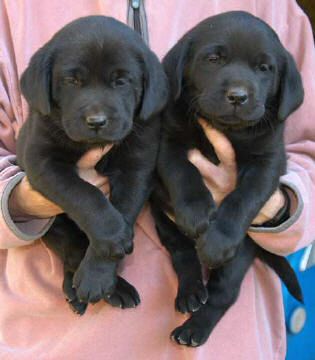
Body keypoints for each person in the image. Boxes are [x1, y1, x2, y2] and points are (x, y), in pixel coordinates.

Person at [0, 0, 314, 359]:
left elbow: (308, 151)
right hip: (53, 338)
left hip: (225, 343)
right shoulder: (14, 8)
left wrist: (272, 205)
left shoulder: (272, 6)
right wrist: (25, 200)